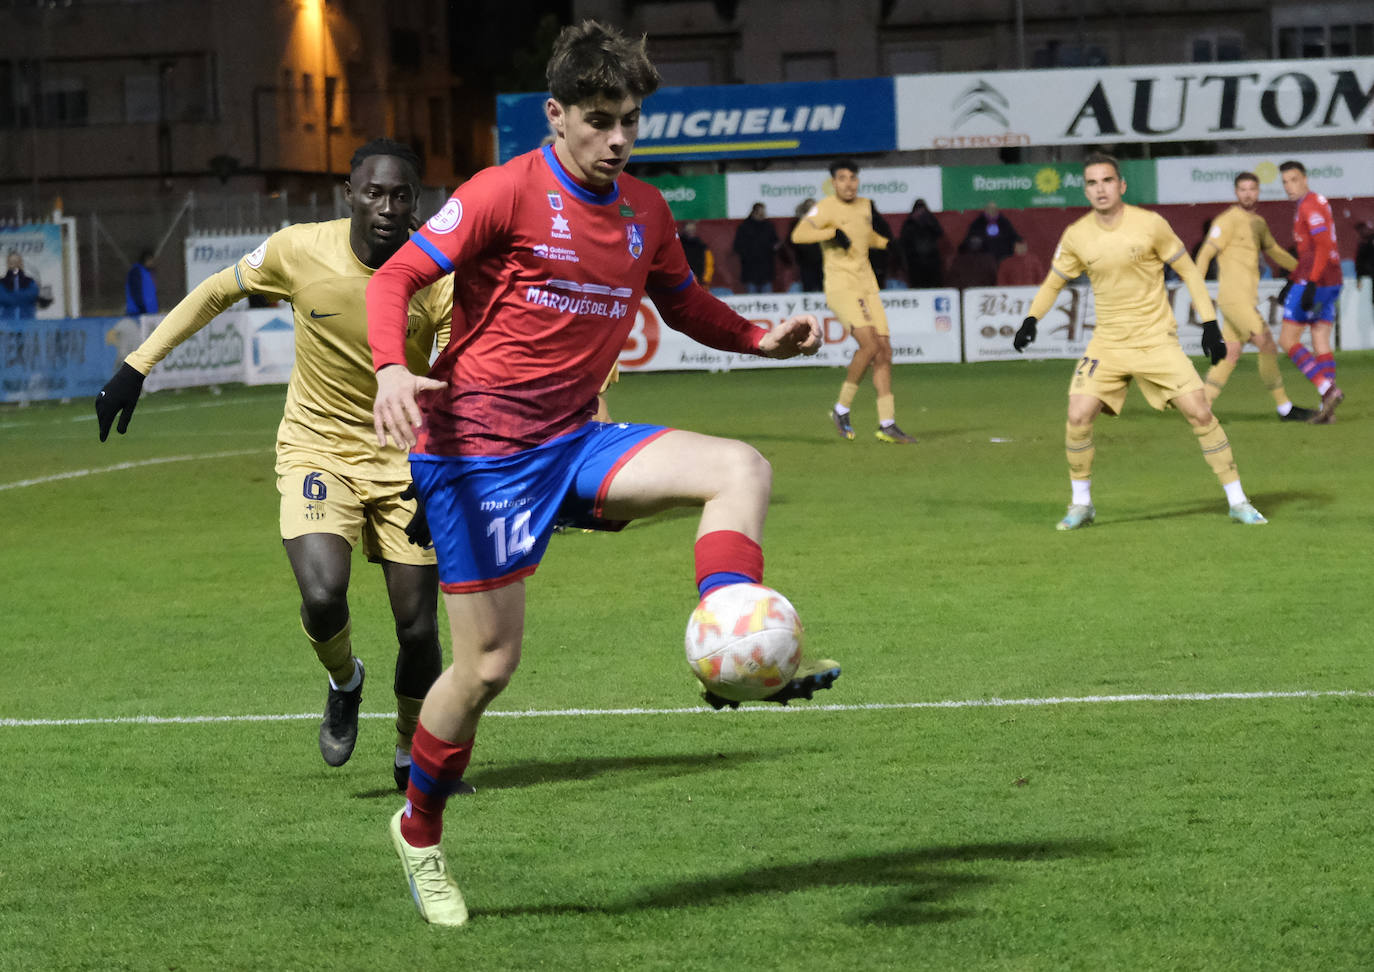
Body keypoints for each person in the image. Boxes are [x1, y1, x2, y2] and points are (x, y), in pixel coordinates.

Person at [365, 20, 837, 927]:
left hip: (575, 438)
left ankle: (725, 639)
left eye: (630, 120)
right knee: (490, 666)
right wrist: (392, 367)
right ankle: (419, 831)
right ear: (557, 116)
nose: (619, 138)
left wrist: (755, 339)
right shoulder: (505, 190)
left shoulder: (643, 211)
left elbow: (682, 298)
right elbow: (397, 280)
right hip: (479, 454)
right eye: (601, 119)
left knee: (740, 467)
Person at [94, 139, 455, 792]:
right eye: (374, 192)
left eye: (401, 195)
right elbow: (214, 292)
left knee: (420, 628)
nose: (387, 206)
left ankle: (410, 753)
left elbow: (458, 380)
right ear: (348, 194)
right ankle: (345, 680)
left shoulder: (439, 275)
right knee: (321, 596)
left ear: (416, 203)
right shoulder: (298, 250)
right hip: (318, 449)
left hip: (407, 462)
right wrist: (136, 365)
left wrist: (442, 472)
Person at [1013, 152, 1266, 529]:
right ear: (1086, 189)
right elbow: (1053, 282)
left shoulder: (1150, 224)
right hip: (1108, 344)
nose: (1100, 189)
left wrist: (1210, 325)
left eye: (1107, 181)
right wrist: (1032, 318)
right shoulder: (1077, 235)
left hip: (1155, 341)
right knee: (1077, 415)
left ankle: (1237, 500)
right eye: (1092, 183)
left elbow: (1190, 274)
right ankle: (1081, 504)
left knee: (1199, 411)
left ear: (1121, 186)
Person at [791, 159, 915, 444]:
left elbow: (864, 235)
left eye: (853, 178)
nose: (849, 183)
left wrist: (885, 243)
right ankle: (841, 408)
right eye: (843, 178)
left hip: (867, 285)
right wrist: (831, 233)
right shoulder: (823, 207)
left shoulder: (865, 205)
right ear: (833, 182)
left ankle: (887, 423)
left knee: (884, 351)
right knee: (870, 345)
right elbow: (799, 234)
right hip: (841, 287)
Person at [1193, 171, 1313, 422]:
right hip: (1234, 299)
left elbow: (1275, 252)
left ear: (1258, 192)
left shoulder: (1258, 223)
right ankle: (1284, 408)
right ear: (1236, 192)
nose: (1248, 193)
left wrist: (1305, 271)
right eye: (1243, 189)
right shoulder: (1226, 220)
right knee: (1267, 344)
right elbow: (1205, 254)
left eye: (1252, 189)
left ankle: (1201, 407)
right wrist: (1197, 287)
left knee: (1231, 353)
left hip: (1245, 300)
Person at [1277, 160, 1345, 423]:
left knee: (1288, 340)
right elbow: (1310, 251)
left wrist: (1310, 282)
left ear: (1305, 179)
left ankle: (1327, 390)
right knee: (1320, 340)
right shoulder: (1314, 201)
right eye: (1284, 181)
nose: (1289, 186)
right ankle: (1326, 410)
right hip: (1331, 281)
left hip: (1317, 281)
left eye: (1294, 180)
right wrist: (1291, 279)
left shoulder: (1309, 205)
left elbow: (1322, 244)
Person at [732, 201, 780, 293]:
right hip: (751, 269)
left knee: (767, 300)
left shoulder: (769, 226)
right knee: (752, 298)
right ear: (754, 212)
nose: (762, 215)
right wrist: (749, 254)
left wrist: (774, 247)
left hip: (766, 268)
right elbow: (738, 246)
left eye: (763, 212)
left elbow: (775, 242)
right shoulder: (744, 227)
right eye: (760, 212)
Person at [898, 198, 943, 288]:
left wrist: (927, 221)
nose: (920, 211)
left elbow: (939, 233)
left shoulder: (931, 220)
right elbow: (903, 240)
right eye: (918, 208)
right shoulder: (909, 223)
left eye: (922, 208)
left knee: (934, 286)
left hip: (932, 261)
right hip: (915, 262)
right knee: (917, 286)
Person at [788, 198, 824, 292]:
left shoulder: (822, 221)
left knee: (823, 286)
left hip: (821, 259)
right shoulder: (798, 223)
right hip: (806, 260)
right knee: (808, 286)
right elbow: (791, 240)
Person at [1, 251, 41, 320]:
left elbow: (32, 295)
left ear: (21, 263)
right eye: (12, 262)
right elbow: (3, 298)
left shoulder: (30, 281)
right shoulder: (2, 282)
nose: (14, 264)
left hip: (28, 323)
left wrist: (12, 295)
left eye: (17, 262)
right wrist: (21, 296)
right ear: (8, 264)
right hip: (6, 325)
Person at [677, 220, 714, 288]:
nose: (690, 228)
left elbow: (709, 265)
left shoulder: (702, 246)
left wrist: (705, 280)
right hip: (682, 283)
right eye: (688, 225)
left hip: (700, 284)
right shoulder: (678, 244)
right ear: (684, 227)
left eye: (692, 225)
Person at [125, 249, 159, 315]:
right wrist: (142, 308)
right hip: (138, 313)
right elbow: (136, 292)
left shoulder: (149, 272)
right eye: (151, 260)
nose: (153, 263)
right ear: (146, 259)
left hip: (150, 312)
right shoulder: (136, 272)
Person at [869, 200, 893, 288]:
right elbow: (889, 240)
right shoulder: (881, 222)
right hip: (880, 258)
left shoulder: (860, 222)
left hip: (868, 258)